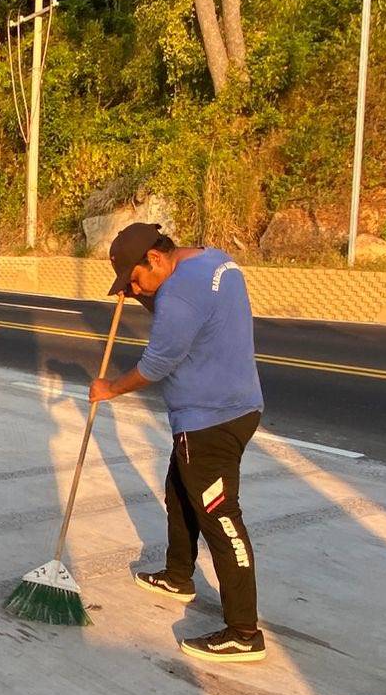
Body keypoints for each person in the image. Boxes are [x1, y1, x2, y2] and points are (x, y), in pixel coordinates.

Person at [88, 223, 267, 662]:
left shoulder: (178, 295)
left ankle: (243, 631)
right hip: (238, 406)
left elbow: (156, 363)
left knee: (221, 519)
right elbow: (188, 315)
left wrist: (109, 388)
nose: (133, 292)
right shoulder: (215, 260)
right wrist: (146, 295)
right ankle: (177, 575)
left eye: (133, 281)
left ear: (154, 258)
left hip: (209, 420)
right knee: (179, 492)